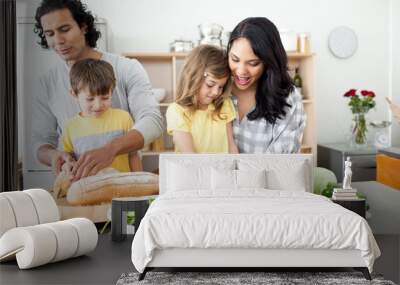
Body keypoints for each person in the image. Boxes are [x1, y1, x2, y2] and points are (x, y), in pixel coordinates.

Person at [32, 0, 163, 180]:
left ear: (83, 27)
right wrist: (54, 156)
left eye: (64, 29)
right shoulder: (46, 84)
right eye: (50, 34)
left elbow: (153, 121)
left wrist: (110, 149)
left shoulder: (127, 68)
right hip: (80, 186)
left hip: (122, 185)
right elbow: (41, 144)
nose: (58, 41)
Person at [227, 17, 306, 153]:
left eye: (253, 63)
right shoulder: (216, 89)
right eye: (235, 59)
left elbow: (280, 163)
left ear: (269, 62)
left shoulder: (287, 97)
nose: (240, 71)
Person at [62, 58, 142, 175]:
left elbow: (133, 156)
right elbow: (69, 161)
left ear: (112, 91)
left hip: (123, 187)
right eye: (90, 99)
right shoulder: (70, 127)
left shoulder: (123, 118)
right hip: (89, 189)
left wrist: (139, 183)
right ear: (74, 94)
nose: (98, 105)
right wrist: (67, 164)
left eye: (105, 98)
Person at [166, 45, 238, 153]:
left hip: (222, 169)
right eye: (210, 84)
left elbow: (231, 146)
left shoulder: (224, 105)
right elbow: (189, 155)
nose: (216, 92)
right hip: (192, 169)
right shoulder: (177, 111)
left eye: (221, 87)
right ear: (193, 78)